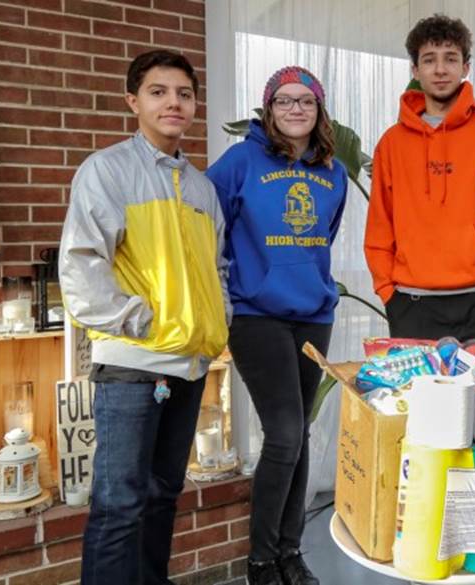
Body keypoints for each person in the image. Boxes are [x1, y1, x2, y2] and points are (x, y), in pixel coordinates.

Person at [59, 50, 231, 584]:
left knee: (162, 497)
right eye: (158, 92)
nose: (173, 103)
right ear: (133, 101)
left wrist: (215, 321)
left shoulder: (202, 189)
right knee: (119, 506)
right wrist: (139, 320)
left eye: (183, 93)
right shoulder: (106, 170)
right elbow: (81, 264)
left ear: (195, 105)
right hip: (133, 366)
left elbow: (217, 268)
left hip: (189, 365)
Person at [206, 66, 347, 585]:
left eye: (305, 102)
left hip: (313, 314)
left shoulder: (332, 172)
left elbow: (324, 236)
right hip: (255, 314)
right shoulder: (241, 160)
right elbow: (205, 224)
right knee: (285, 432)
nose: (295, 110)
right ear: (268, 108)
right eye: (284, 101)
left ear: (318, 110)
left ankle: (291, 552)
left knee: (300, 434)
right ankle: (261, 560)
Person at [364, 13, 475, 352]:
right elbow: (381, 225)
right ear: (415, 70)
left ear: (466, 67)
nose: (440, 69)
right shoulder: (391, 143)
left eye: (450, 59)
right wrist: (389, 293)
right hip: (413, 305)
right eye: (429, 60)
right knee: (421, 406)